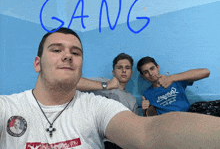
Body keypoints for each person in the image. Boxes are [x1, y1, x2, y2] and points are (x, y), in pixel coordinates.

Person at [1, 27, 220, 148]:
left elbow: (147, 131)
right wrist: (106, 84)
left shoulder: (97, 106)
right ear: (37, 63)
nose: (67, 55)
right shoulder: (7, 107)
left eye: (75, 53)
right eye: (56, 50)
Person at [77, 53, 139, 149]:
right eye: (119, 67)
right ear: (113, 72)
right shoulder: (101, 82)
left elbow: (135, 129)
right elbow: (73, 83)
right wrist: (106, 85)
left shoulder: (131, 100)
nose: (123, 70)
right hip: (90, 137)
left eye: (127, 68)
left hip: (116, 142)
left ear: (131, 73)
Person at [137, 56, 210, 116]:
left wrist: (171, 78)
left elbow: (206, 72)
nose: (150, 73)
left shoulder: (175, 81)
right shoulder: (147, 93)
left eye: (152, 68)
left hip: (188, 116)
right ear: (143, 76)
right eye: (146, 72)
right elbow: (149, 119)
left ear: (158, 67)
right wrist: (144, 110)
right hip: (170, 124)